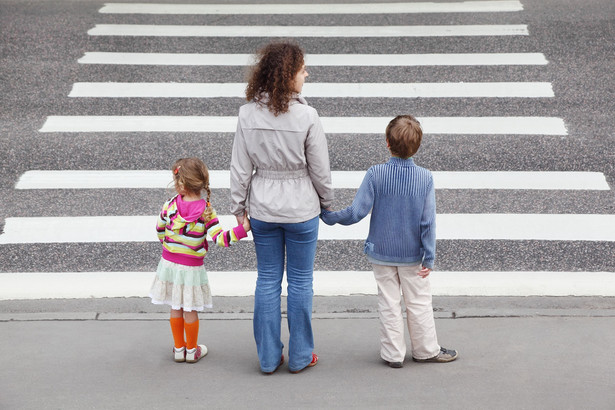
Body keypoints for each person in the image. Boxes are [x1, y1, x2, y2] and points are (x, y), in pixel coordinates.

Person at [320, 115, 458, 368]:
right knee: (418, 302)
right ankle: (426, 350)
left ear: (387, 143)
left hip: (381, 253)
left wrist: (328, 217)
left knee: (388, 303)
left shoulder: (376, 174)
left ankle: (393, 354)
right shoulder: (425, 178)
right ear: (417, 146)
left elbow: (356, 212)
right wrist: (430, 256)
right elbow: (428, 223)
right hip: (413, 255)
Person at [230, 41, 334, 374]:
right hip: (302, 208)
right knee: (301, 283)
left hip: (262, 208)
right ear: (289, 75)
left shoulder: (247, 114)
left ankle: (268, 357)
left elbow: (240, 168)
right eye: (302, 69)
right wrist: (327, 204)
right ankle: (302, 355)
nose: (307, 73)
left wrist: (238, 209)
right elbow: (320, 169)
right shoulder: (307, 115)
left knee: (267, 281)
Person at [149, 157, 250, 363]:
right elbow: (220, 239)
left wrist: (170, 248)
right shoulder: (206, 211)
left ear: (180, 184)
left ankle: (179, 348)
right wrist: (243, 229)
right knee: (190, 309)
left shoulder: (169, 205)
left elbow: (160, 230)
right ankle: (192, 350)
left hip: (169, 264)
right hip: (191, 269)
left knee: (175, 307)